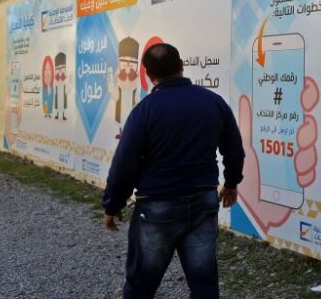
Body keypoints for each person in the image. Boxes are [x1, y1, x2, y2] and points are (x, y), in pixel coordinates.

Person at [101, 43, 244, 299]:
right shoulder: (213, 102)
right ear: (181, 66)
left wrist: (112, 206)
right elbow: (234, 149)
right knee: (204, 282)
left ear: (147, 74)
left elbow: (124, 164)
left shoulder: (144, 111)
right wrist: (231, 183)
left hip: (158, 207)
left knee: (141, 284)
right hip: (203, 203)